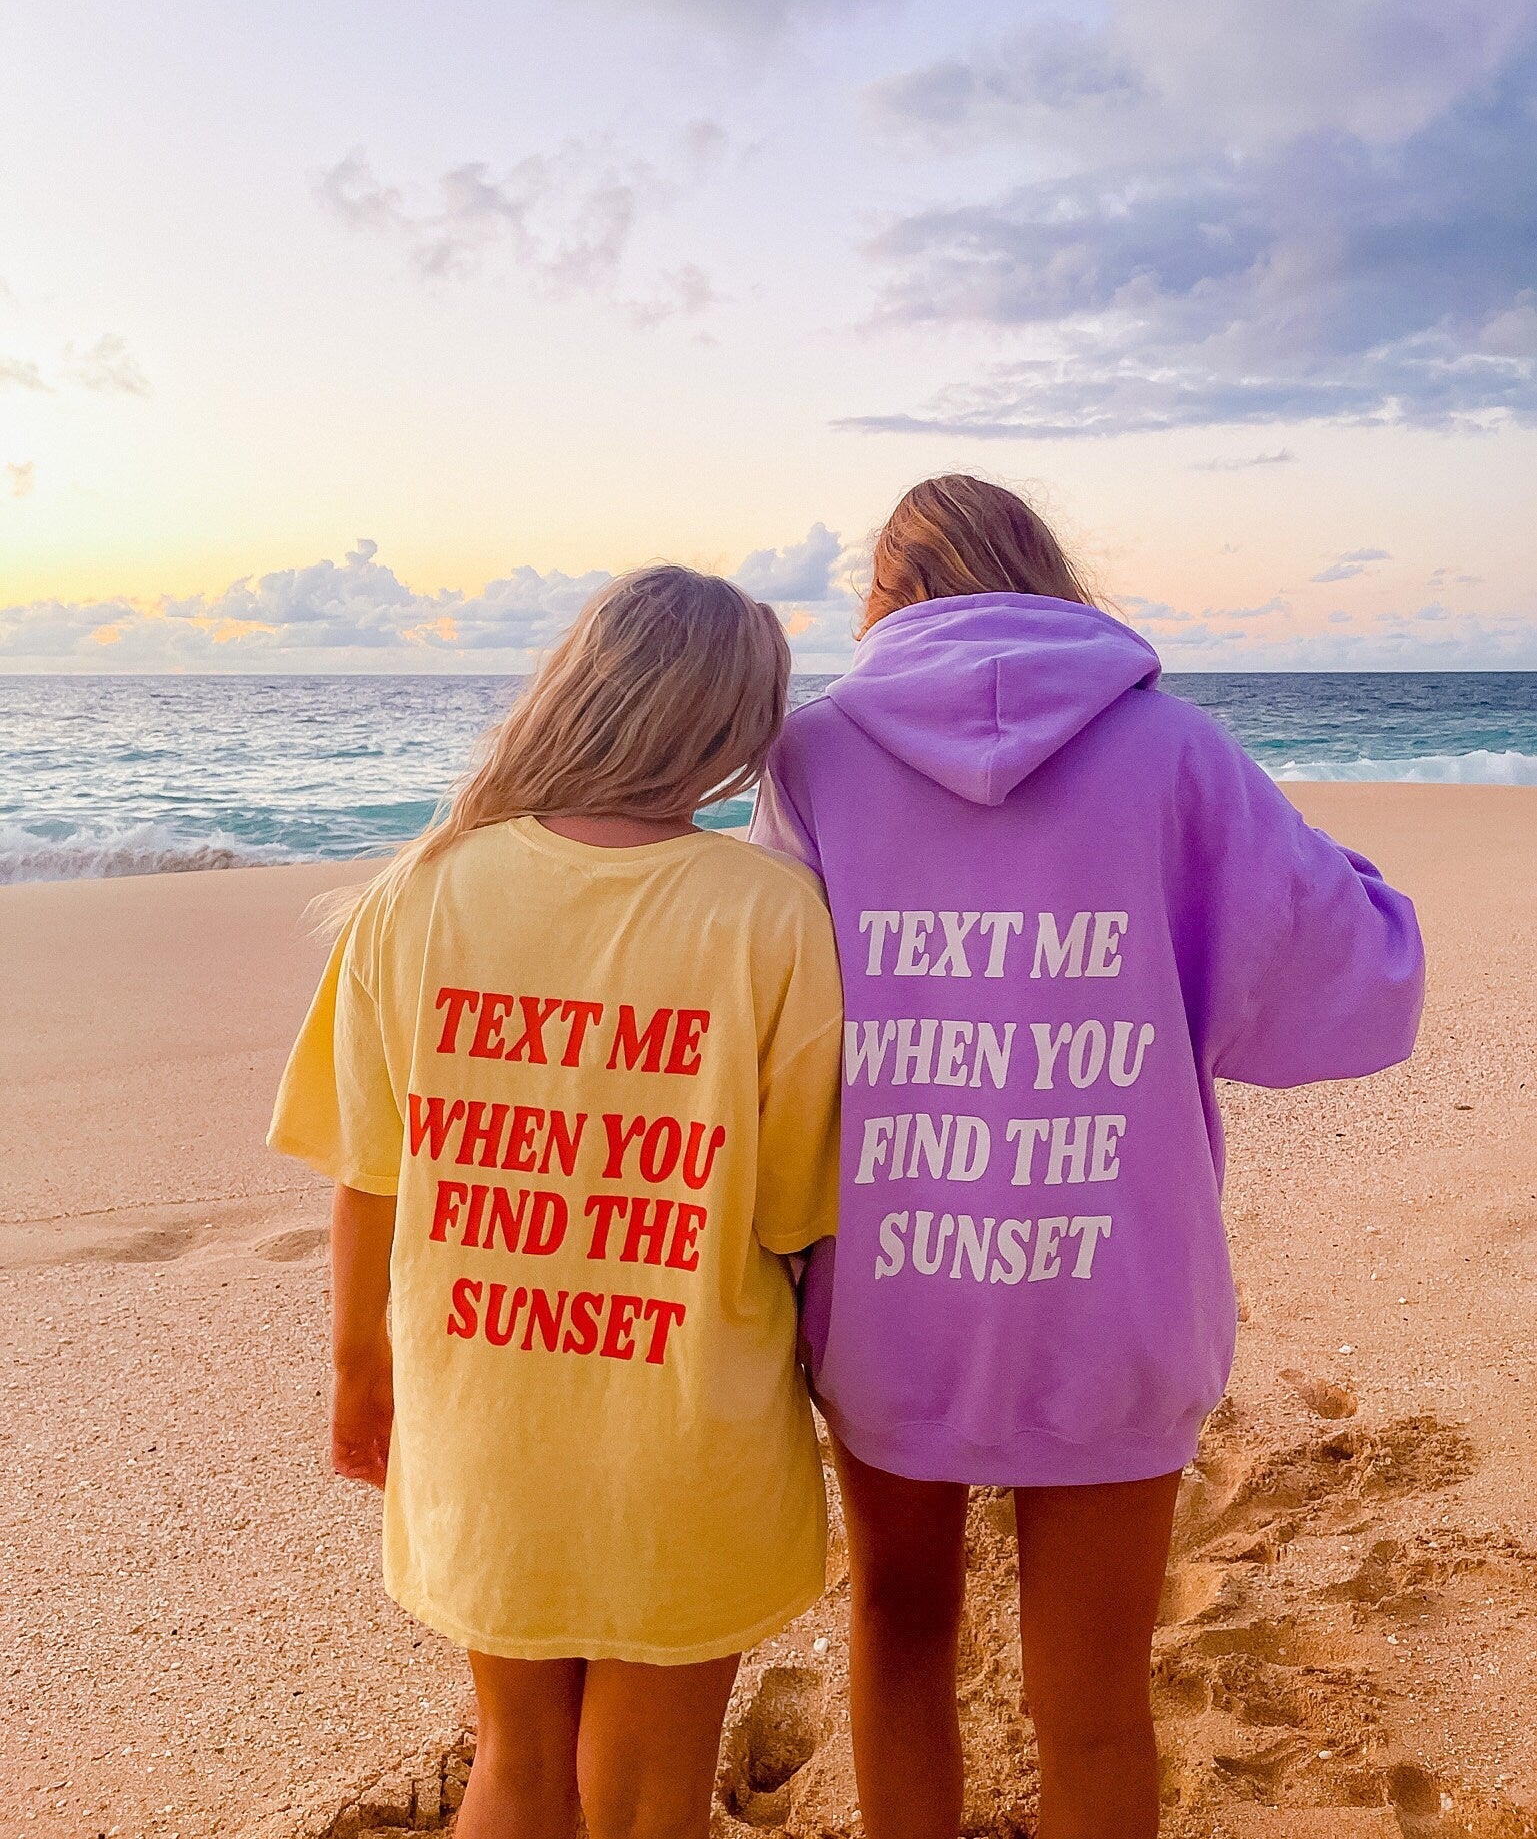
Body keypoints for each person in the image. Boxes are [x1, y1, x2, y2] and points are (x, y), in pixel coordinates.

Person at [750, 473, 1424, 1839]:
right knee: (1098, 1698)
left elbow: (774, 1027)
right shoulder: (1174, 751)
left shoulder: (810, 758)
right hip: (1111, 1284)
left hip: (893, 1281)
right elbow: (1358, 971)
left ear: (891, 595)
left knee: (898, 1632)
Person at [270, 566, 843, 1839]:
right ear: (733, 728)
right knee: (646, 1796)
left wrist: (358, 1373)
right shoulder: (770, 915)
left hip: (486, 1423)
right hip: (686, 1425)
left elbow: (369, 1176)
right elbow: (793, 1212)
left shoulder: (417, 891)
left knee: (518, 1765)